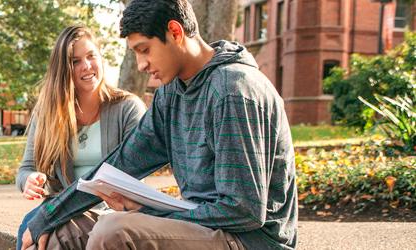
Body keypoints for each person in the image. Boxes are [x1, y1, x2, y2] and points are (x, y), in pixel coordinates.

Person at [21, 0, 298, 249]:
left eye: (145, 50)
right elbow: (122, 161)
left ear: (175, 33)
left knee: (113, 230)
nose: (141, 65)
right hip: (201, 224)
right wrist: (49, 215)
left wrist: (146, 212)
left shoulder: (233, 91)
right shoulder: (171, 93)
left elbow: (244, 210)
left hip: (250, 240)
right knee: (60, 233)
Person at [15, 25, 147, 250]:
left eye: (91, 56)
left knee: (51, 237)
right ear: (63, 69)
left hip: (112, 208)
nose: (86, 66)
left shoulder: (128, 109)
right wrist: (30, 180)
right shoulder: (47, 113)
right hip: (61, 205)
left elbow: (135, 176)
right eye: (75, 61)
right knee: (28, 228)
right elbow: (25, 169)